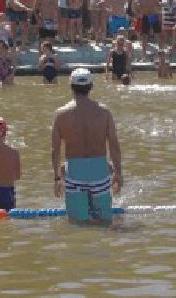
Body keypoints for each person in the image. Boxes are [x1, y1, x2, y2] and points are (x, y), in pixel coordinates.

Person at [52, 68, 123, 224]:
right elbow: (114, 145)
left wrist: (57, 178)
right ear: (91, 87)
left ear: (71, 87)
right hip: (99, 173)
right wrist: (118, 172)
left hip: (75, 174)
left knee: (78, 226)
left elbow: (55, 150)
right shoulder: (104, 113)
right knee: (104, 223)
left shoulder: (61, 115)